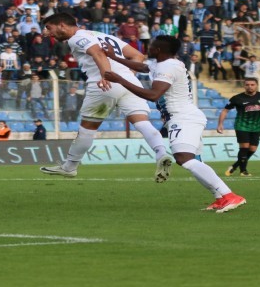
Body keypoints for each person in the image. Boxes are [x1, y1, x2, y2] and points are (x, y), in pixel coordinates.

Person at [103, 35, 246, 213]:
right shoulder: (163, 63)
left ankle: (229, 195)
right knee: (194, 161)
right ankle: (220, 198)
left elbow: (153, 95)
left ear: (159, 50)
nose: (149, 48)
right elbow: (143, 67)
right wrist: (115, 58)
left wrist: (120, 80)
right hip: (183, 117)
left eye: (152, 46)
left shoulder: (168, 67)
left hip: (183, 117)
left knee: (183, 159)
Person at [40, 13, 172, 181]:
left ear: (62, 25)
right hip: (129, 82)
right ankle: (161, 153)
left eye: (50, 28)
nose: (48, 32)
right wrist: (123, 77)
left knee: (87, 128)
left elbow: (98, 54)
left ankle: (70, 166)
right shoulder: (103, 36)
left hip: (104, 83)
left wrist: (106, 75)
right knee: (142, 122)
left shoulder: (77, 38)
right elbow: (138, 56)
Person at [217, 78, 260, 177]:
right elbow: (225, 110)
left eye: (252, 84)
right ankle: (243, 171)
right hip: (242, 126)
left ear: (256, 85)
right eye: (247, 84)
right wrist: (220, 124)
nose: (250, 86)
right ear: (244, 86)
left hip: (257, 127)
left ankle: (234, 166)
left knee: (252, 149)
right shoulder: (237, 98)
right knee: (244, 147)